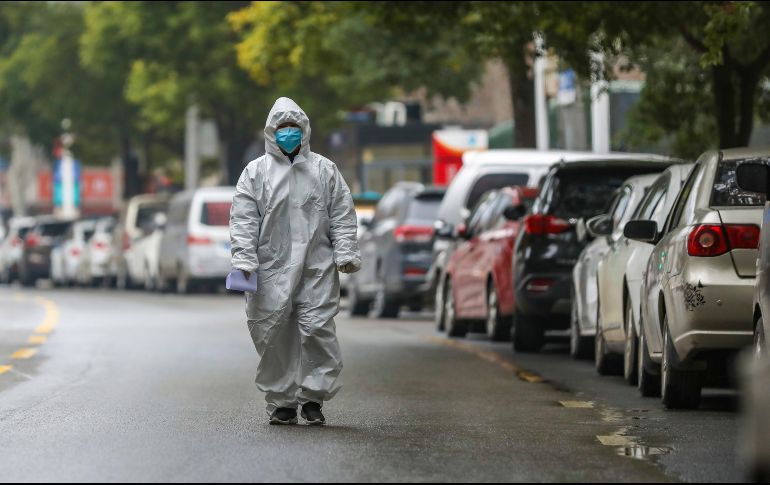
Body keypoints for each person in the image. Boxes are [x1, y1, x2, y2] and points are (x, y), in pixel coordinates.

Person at [230, 97, 360, 426]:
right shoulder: (256, 173)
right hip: (271, 268)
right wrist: (244, 258)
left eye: (294, 128)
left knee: (317, 329)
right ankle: (282, 402)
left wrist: (344, 251)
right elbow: (244, 220)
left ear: (305, 131)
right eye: (282, 129)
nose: (289, 134)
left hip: (316, 267)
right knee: (273, 333)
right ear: (271, 132)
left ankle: (313, 398)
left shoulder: (324, 170)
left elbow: (342, 214)